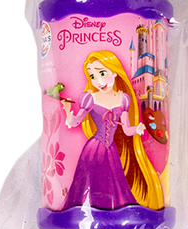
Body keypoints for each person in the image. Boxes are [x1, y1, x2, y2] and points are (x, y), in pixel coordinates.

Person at [61, 50, 164, 210]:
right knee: (91, 182)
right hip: (94, 149)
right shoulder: (90, 98)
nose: (97, 81)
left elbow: (127, 130)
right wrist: (68, 110)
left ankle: (113, 211)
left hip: (111, 150)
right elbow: (75, 122)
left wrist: (137, 129)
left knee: (113, 183)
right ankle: (88, 210)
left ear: (114, 72)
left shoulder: (123, 99)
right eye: (92, 76)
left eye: (102, 73)